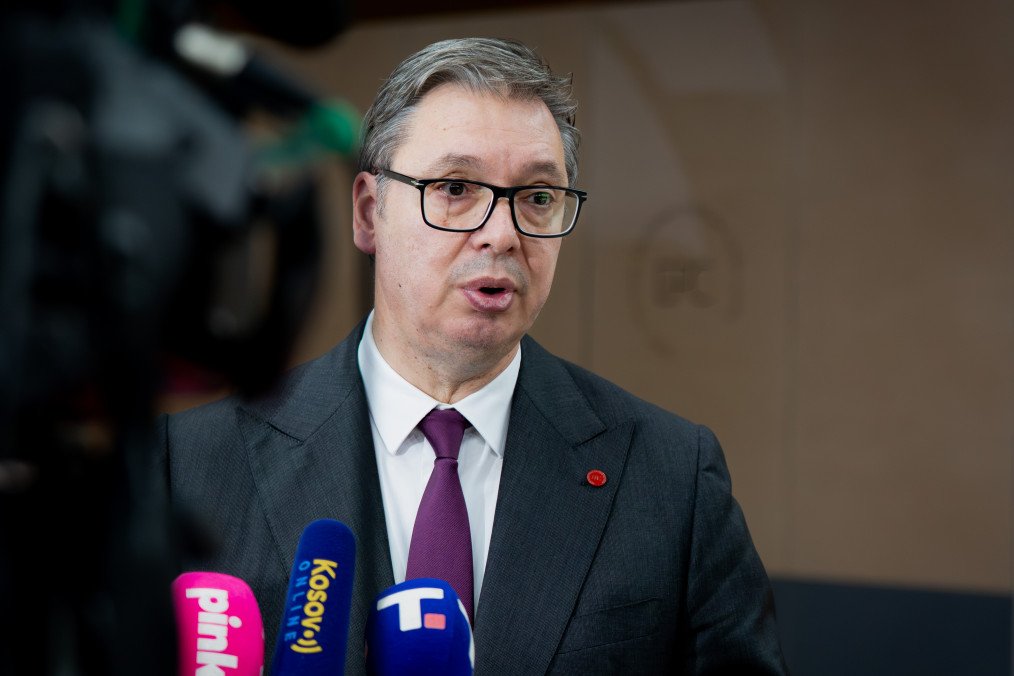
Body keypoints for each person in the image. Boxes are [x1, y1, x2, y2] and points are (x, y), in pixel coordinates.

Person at [158, 37, 787, 674]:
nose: (503, 233)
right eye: (456, 187)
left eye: (538, 197)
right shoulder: (186, 465)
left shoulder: (671, 478)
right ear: (370, 213)